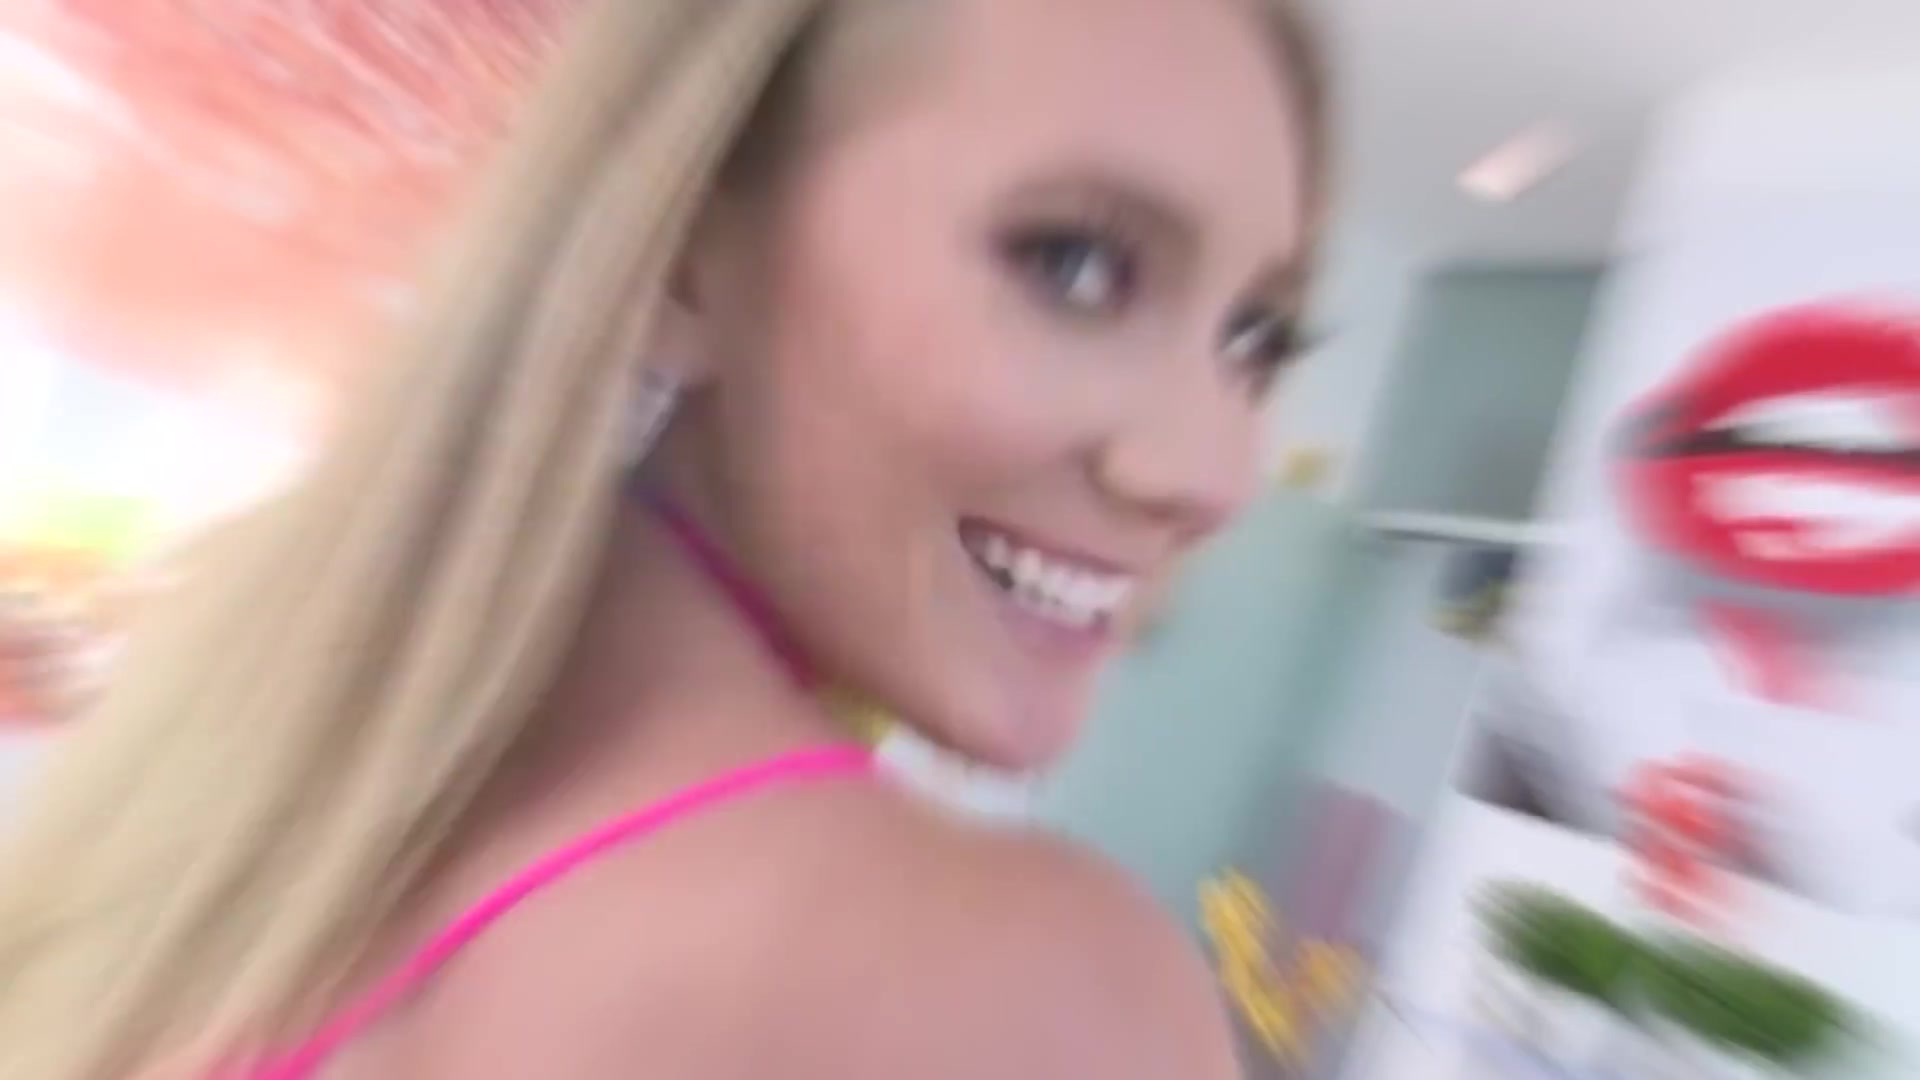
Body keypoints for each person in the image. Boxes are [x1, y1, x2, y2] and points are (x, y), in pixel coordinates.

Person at [0, 0, 1329, 1075]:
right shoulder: (1039, 1002)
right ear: (689, 250)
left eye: (1255, 340)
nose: (1213, 475)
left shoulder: (244, 804)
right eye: (1075, 265)